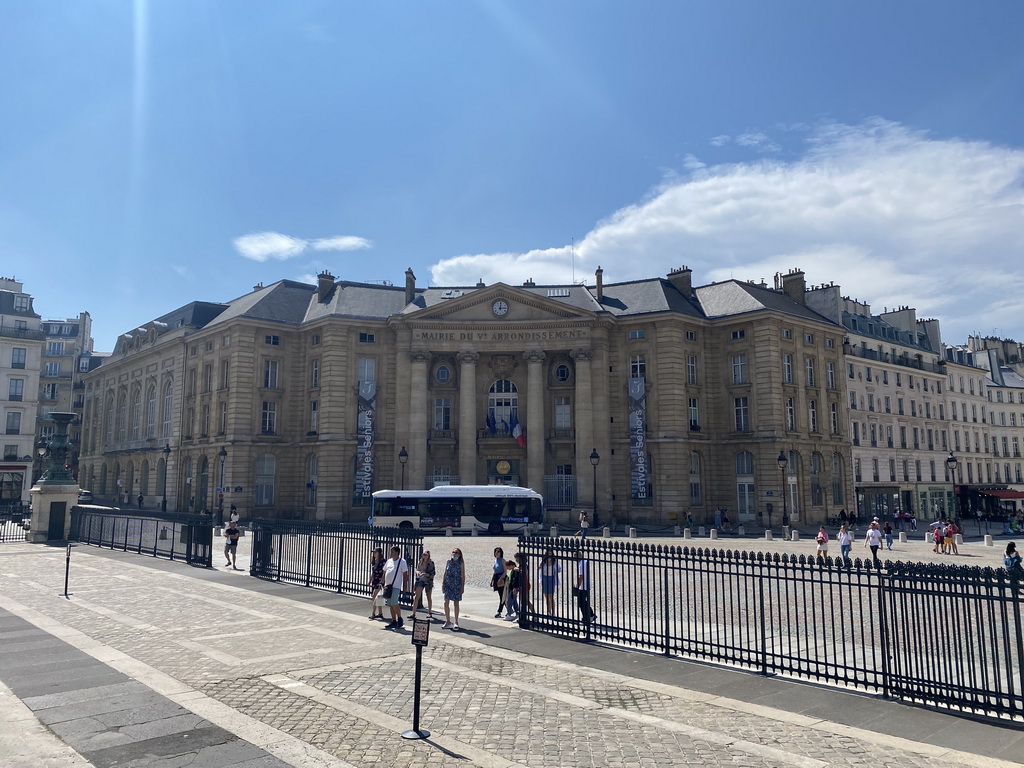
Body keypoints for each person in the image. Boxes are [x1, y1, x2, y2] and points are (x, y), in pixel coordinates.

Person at [382, 546, 409, 630]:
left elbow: (405, 575)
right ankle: (394, 620)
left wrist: (405, 586)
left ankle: (399, 618)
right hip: (388, 586)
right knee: (390, 604)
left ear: (397, 552)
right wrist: (382, 581)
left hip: (396, 585)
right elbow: (385, 571)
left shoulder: (402, 562)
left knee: (394, 602)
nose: (391, 553)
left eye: (392, 552)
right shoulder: (389, 561)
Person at [442, 547, 466, 630]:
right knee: (446, 602)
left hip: (456, 584)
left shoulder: (461, 563)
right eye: (453, 552)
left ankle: (456, 621)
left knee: (456, 603)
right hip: (448, 584)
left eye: (456, 552)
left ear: (459, 555)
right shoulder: (448, 562)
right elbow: (445, 573)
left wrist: (462, 586)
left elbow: (463, 575)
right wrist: (443, 584)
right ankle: (448, 621)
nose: (454, 554)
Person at [408, 550, 435, 619]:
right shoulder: (420, 561)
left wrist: (426, 574)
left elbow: (433, 573)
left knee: (428, 596)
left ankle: (429, 612)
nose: (424, 556)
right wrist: (417, 572)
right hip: (420, 580)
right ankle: (413, 613)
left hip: (428, 581)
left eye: (426, 555)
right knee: (416, 597)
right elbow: (417, 569)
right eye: (424, 554)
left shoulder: (431, 563)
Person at [573, 549, 596, 625]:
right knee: (583, 602)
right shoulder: (585, 562)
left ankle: (587, 617)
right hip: (586, 585)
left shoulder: (581, 564)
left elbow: (581, 576)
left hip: (583, 586)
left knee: (581, 603)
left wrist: (577, 586)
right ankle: (590, 615)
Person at [540, 548, 562, 614]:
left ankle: (553, 612)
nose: (549, 555)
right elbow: (539, 568)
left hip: (551, 578)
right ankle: (548, 612)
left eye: (550, 553)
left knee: (551, 596)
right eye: (548, 553)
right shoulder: (543, 561)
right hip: (544, 578)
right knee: (546, 596)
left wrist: (558, 570)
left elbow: (560, 568)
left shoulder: (554, 561)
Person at [367, 548, 385, 620]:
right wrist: (370, 580)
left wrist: (383, 580)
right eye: (374, 552)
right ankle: (380, 613)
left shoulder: (383, 562)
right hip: (375, 580)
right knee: (378, 597)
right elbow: (373, 573)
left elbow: (385, 572)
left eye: (375, 552)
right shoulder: (374, 561)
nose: (374, 554)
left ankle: (373, 613)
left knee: (374, 596)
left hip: (380, 581)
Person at [491, 546, 507, 618]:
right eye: (496, 551)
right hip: (496, 577)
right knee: (501, 596)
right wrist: (492, 580)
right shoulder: (496, 560)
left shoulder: (502, 560)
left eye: (498, 551)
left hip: (501, 578)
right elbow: (494, 571)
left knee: (502, 596)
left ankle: (499, 611)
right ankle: (510, 610)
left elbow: (505, 571)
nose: (497, 553)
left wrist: (500, 579)